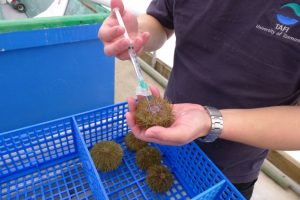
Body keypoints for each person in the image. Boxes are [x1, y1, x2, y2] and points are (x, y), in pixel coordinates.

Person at [99, 0, 300, 199]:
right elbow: (161, 21)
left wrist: (208, 120)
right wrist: (137, 33)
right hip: (167, 138)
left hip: (231, 170)